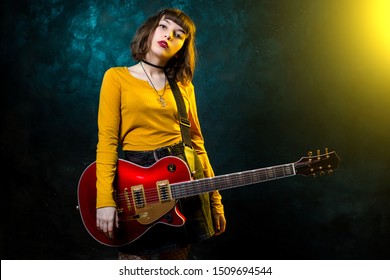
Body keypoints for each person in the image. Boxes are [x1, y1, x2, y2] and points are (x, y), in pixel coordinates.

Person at [95, 8, 226, 260]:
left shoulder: (184, 86)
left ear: (182, 47)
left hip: (182, 186)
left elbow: (197, 146)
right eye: (164, 27)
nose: (169, 36)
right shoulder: (116, 78)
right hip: (137, 188)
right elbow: (107, 143)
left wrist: (215, 201)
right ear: (151, 29)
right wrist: (105, 200)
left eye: (179, 35)